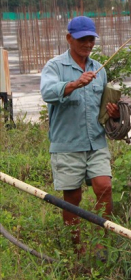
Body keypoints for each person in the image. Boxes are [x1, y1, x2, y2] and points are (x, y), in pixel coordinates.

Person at [40, 16, 119, 256]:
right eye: (82, 39)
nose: (88, 44)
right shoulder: (55, 66)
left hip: (96, 141)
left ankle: (101, 244)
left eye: (91, 39)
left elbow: (102, 107)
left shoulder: (99, 68)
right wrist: (74, 84)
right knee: (72, 197)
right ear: (69, 39)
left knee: (104, 187)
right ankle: (77, 248)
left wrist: (112, 112)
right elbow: (47, 92)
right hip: (67, 144)